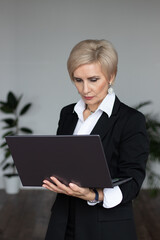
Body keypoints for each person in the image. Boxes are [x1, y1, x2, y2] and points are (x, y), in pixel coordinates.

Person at [43, 39, 149, 240]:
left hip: (106, 226)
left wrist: (94, 195)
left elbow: (133, 180)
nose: (85, 90)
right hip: (63, 220)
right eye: (78, 80)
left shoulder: (131, 120)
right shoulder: (68, 113)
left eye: (93, 79)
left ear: (111, 76)